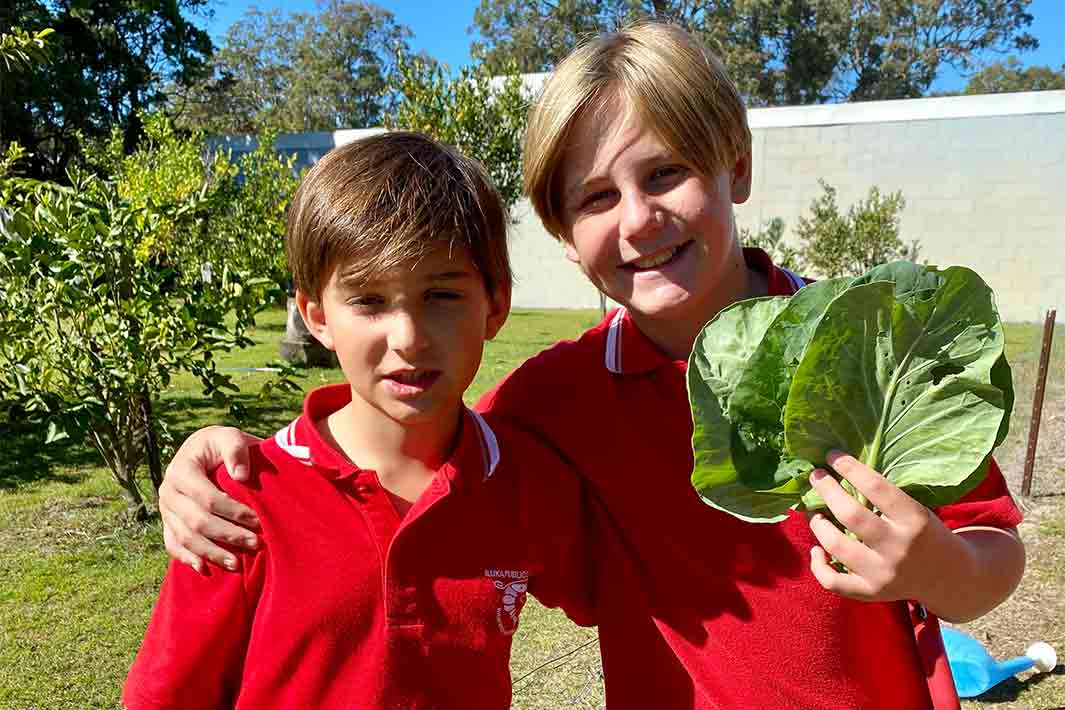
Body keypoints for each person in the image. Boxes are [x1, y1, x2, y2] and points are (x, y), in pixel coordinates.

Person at [157, 23, 1025, 710]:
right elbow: (415, 444)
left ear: (738, 165)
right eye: (596, 199)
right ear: (566, 239)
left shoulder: (868, 342)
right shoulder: (549, 401)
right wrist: (218, 456)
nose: (640, 220)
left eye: (666, 173)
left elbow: (992, 546)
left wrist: (937, 570)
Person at [123, 132, 594, 710]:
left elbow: (627, 590)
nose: (409, 339)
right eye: (369, 301)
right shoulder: (237, 503)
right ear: (317, 316)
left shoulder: (524, 483)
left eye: (442, 295)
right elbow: (169, 697)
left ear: (494, 305)